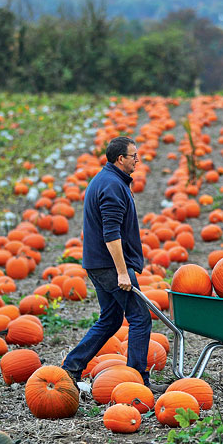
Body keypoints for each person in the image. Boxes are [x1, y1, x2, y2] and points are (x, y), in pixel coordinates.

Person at [62, 136, 158, 388]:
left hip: (97, 263)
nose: (137, 160)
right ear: (120, 159)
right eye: (133, 156)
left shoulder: (108, 180)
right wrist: (122, 272)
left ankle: (71, 367)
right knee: (140, 318)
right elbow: (111, 233)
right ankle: (138, 382)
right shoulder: (113, 186)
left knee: (111, 318)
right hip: (109, 265)